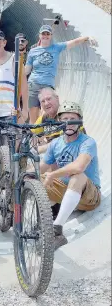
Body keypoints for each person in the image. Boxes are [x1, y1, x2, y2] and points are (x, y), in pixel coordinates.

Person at [40, 101, 101, 250]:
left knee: (78, 175)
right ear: (59, 122)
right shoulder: (56, 143)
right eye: (65, 119)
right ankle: (40, 219)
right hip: (67, 190)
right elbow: (41, 168)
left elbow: (79, 166)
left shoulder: (88, 142)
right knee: (35, 179)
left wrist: (53, 174)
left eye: (72, 119)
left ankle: (57, 230)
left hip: (89, 196)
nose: (69, 123)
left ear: (79, 122)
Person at [25, 24, 98, 124]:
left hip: (47, 85)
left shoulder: (56, 47)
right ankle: (35, 138)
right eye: (43, 34)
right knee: (33, 116)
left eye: (48, 34)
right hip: (33, 84)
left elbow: (73, 42)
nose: (45, 36)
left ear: (51, 35)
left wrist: (86, 37)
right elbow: (27, 70)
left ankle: (47, 136)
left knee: (48, 113)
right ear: (39, 35)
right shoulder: (33, 51)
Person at [0, 30, 29, 157]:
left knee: (11, 146)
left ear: (4, 42)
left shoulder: (15, 60)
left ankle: (13, 174)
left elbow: (23, 85)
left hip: (10, 112)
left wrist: (25, 109)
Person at [33, 87, 86, 154]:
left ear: (57, 98)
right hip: (54, 157)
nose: (46, 103)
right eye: (43, 101)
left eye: (49, 99)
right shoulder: (44, 118)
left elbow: (70, 140)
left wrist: (41, 149)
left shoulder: (67, 113)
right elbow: (30, 132)